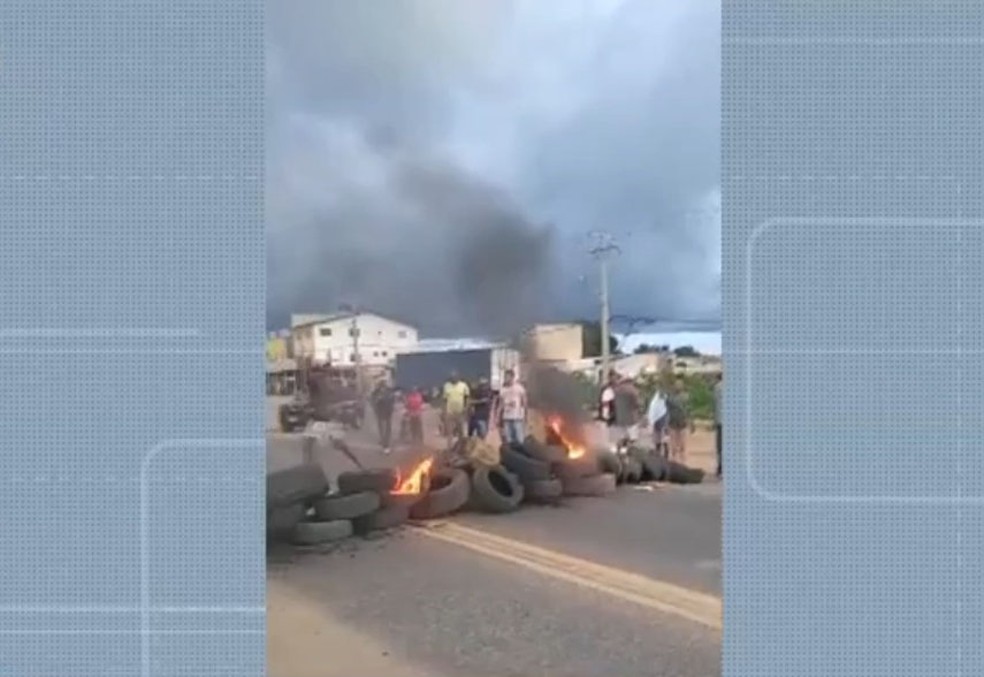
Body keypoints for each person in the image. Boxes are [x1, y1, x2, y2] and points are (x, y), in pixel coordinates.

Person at [495, 369, 527, 445]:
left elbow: (525, 402)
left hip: (517, 418)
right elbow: (501, 404)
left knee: (519, 439)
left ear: (512, 377)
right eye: (505, 377)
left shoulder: (519, 388)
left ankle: (522, 454)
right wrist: (497, 416)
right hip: (506, 418)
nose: (506, 378)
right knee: (509, 440)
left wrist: (525, 415)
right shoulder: (503, 390)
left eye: (508, 377)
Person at [665, 377, 691, 463]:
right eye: (676, 385)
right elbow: (667, 411)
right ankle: (675, 461)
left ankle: (682, 462)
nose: (678, 386)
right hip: (673, 422)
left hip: (682, 422)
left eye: (679, 385)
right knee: (673, 445)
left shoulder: (686, 397)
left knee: (683, 445)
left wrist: (690, 422)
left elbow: (688, 411)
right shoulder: (670, 398)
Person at [442, 371, 470, 443]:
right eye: (452, 377)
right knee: (449, 433)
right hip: (450, 412)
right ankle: (450, 450)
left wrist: (466, 408)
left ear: (458, 377)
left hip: (460, 412)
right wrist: (444, 412)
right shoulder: (446, 386)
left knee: (461, 432)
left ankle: (461, 448)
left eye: (455, 377)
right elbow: (445, 400)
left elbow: (467, 398)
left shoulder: (463, 385)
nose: (454, 378)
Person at [370, 378, 396, 454]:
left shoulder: (389, 392)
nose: (383, 387)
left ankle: (385, 443)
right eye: (382, 385)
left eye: (384, 385)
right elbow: (373, 401)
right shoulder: (376, 392)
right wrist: (376, 404)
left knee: (387, 430)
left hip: (387, 413)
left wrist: (392, 408)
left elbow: (392, 401)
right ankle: (385, 446)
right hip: (381, 413)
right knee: (383, 430)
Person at [645, 386, 669, 456]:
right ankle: (659, 453)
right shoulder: (654, 402)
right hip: (658, 422)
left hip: (663, 422)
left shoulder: (665, 401)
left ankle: (665, 453)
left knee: (664, 439)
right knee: (658, 439)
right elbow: (651, 413)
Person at [713, 372, 723, 479]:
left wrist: (714, 420)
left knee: (720, 446)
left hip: (720, 421)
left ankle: (720, 468)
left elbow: (715, 405)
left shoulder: (717, 388)